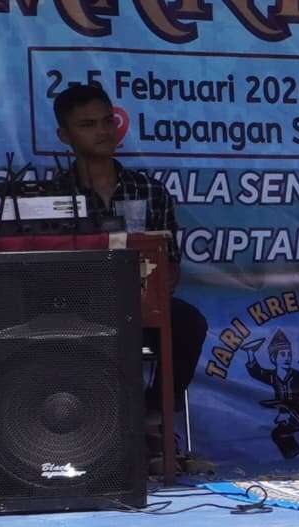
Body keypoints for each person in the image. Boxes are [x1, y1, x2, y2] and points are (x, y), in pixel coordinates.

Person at [48, 80, 206, 394]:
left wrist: (160, 280)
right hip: (76, 313)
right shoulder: (52, 197)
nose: (103, 131)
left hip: (139, 309)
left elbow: (171, 264)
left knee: (189, 323)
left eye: (108, 121)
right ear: (64, 136)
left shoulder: (150, 190)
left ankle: (157, 408)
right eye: (88, 125)